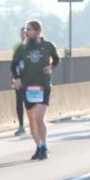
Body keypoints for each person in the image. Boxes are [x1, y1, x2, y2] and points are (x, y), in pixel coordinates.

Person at [11, 19, 60, 159]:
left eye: (30, 29)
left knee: (39, 117)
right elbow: (13, 65)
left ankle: (44, 145)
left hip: (43, 86)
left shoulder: (48, 45)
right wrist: (17, 78)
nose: (26, 32)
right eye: (26, 29)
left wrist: (51, 67)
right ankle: (38, 147)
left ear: (38, 31)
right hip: (28, 87)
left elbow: (57, 59)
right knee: (32, 120)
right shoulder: (22, 48)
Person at [10, 27, 27, 136]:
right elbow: (14, 64)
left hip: (32, 79)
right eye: (21, 34)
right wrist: (15, 78)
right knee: (19, 103)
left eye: (25, 33)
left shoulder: (36, 46)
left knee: (31, 102)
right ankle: (21, 125)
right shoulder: (17, 47)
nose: (23, 35)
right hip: (20, 78)